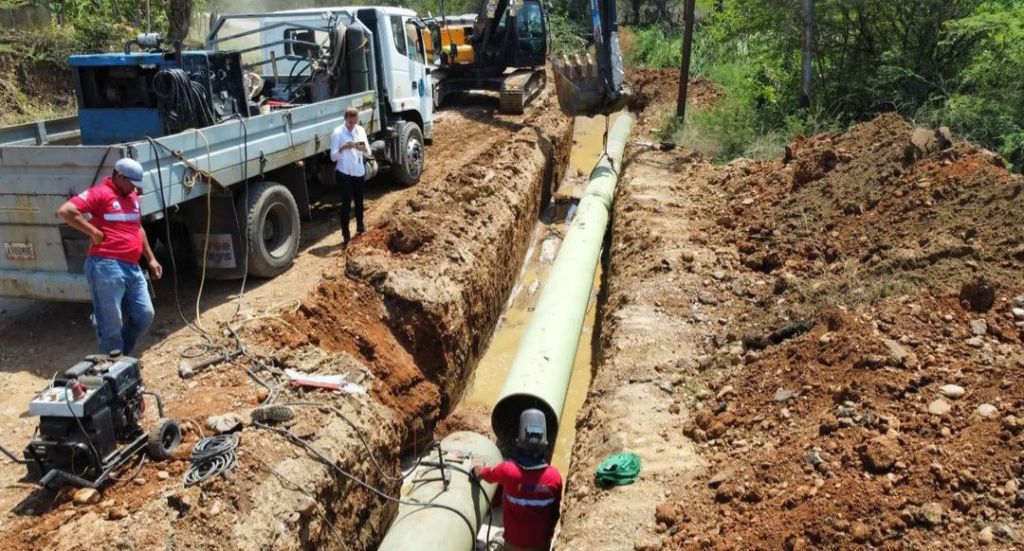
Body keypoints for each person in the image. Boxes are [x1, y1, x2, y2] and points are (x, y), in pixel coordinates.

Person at [57, 158, 162, 355]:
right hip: (106, 265)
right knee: (111, 321)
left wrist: (151, 258)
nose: (134, 188)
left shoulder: (132, 198)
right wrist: (93, 233)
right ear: (120, 176)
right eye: (131, 183)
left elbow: (137, 227)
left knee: (144, 313)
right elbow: (67, 211)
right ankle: (113, 362)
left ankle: (121, 355)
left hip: (132, 266)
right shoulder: (100, 194)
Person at [473, 409, 563, 551]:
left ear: (519, 442)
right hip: (541, 545)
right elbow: (555, 513)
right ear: (545, 443)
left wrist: (478, 470)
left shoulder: (507, 471)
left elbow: (487, 475)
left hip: (513, 544)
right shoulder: (555, 477)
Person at [329, 107, 372, 244]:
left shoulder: (361, 130)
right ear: (346, 119)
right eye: (350, 122)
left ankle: (360, 225)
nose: (352, 125)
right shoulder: (337, 133)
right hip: (344, 172)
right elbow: (333, 157)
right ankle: (345, 234)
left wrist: (362, 148)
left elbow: (368, 152)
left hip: (358, 170)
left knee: (359, 201)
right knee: (346, 202)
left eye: (355, 122)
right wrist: (343, 148)